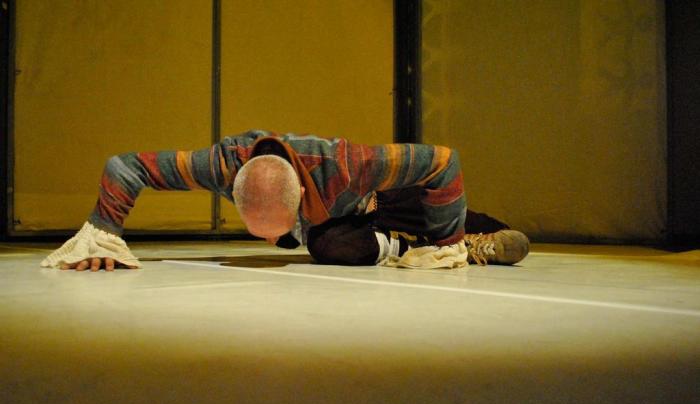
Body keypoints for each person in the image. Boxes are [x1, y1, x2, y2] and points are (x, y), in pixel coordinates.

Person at [41, 129, 529, 271]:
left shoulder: (350, 164)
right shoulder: (221, 164)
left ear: (299, 200)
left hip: (373, 204)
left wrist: (448, 241)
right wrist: (102, 234)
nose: (273, 241)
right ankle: (409, 249)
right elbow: (125, 166)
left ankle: (467, 243)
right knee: (329, 248)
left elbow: (444, 160)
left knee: (441, 215)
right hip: (333, 231)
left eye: (278, 228)